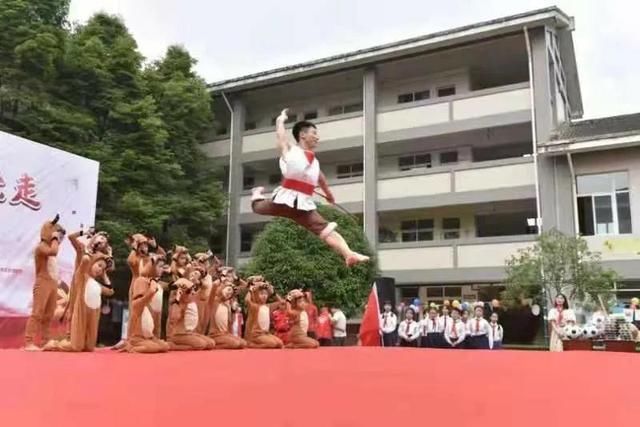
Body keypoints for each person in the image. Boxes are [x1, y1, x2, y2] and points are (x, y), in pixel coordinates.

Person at [250, 109, 369, 267]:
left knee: (326, 230)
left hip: (303, 206)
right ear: (302, 135)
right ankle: (255, 194)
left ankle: (349, 254)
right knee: (258, 207)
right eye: (314, 133)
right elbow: (281, 136)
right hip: (284, 200)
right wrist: (280, 120)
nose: (317, 137)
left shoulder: (315, 162)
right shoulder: (291, 151)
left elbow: (321, 179)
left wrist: (329, 194)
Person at [24, 215, 66, 351]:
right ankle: (28, 342)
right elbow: (53, 252)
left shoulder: (49, 245)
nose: (59, 239)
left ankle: (45, 340)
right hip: (43, 282)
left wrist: (55, 238)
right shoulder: (41, 246)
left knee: (48, 314)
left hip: (53, 283)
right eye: (58, 235)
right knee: (37, 312)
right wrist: (54, 237)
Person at [166, 278, 216, 351]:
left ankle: (187, 344)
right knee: (201, 344)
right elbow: (174, 318)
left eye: (193, 290)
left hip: (190, 333)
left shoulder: (190, 302)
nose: (193, 292)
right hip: (179, 335)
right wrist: (178, 299)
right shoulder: (176, 304)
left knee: (211, 343)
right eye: (189, 291)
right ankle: (173, 346)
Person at [243, 276, 284, 349]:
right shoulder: (254, 306)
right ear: (256, 295)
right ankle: (251, 344)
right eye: (261, 294)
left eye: (265, 294)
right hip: (256, 335)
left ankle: (257, 343)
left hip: (266, 334)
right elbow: (247, 300)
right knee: (272, 344)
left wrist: (273, 293)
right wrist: (250, 290)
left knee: (279, 343)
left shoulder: (268, 306)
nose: (264, 296)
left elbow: (282, 303)